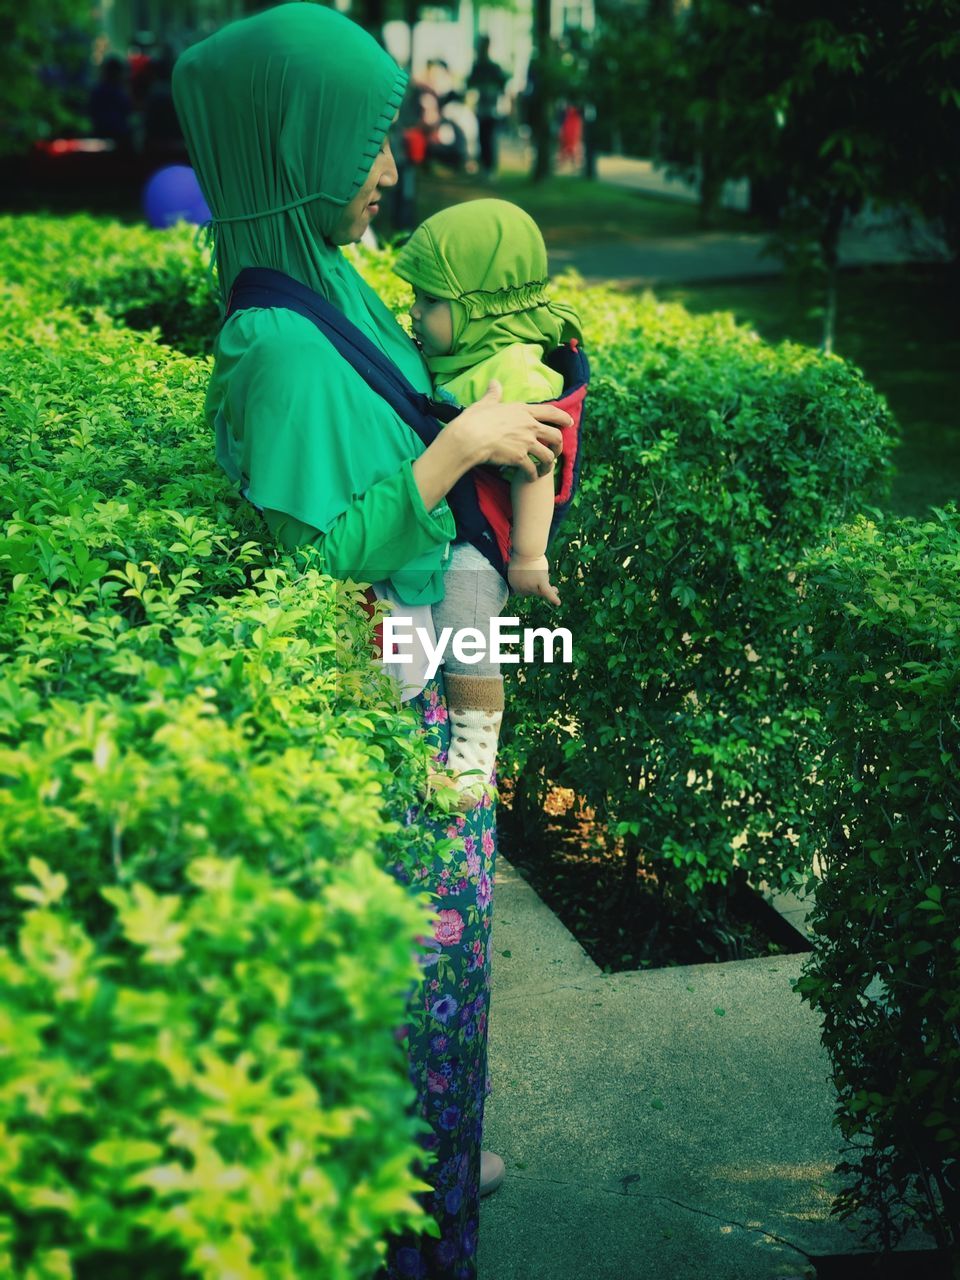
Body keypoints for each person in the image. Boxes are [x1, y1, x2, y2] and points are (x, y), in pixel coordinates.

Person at [171, 7, 570, 1278]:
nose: (393, 171)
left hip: (416, 676)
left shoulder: (329, 273)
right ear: (293, 148)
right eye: (367, 145)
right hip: (377, 706)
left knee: (447, 958)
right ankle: (418, 1221)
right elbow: (310, 577)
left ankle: (442, 1158)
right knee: (416, 966)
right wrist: (456, 453)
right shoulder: (278, 344)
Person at [394, 198, 583, 806]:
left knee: (467, 634)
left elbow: (536, 466)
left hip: (484, 548)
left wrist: (529, 558)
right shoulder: (468, 351)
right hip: (454, 527)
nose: (415, 312)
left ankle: (475, 757)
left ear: (480, 305)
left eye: (429, 302)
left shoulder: (515, 372)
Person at [467, 36, 508, 178]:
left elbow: (502, 85)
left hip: (492, 109)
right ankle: (485, 166)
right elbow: (470, 84)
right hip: (481, 108)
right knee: (482, 139)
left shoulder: (493, 67)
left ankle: (489, 168)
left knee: (489, 138)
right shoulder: (478, 66)